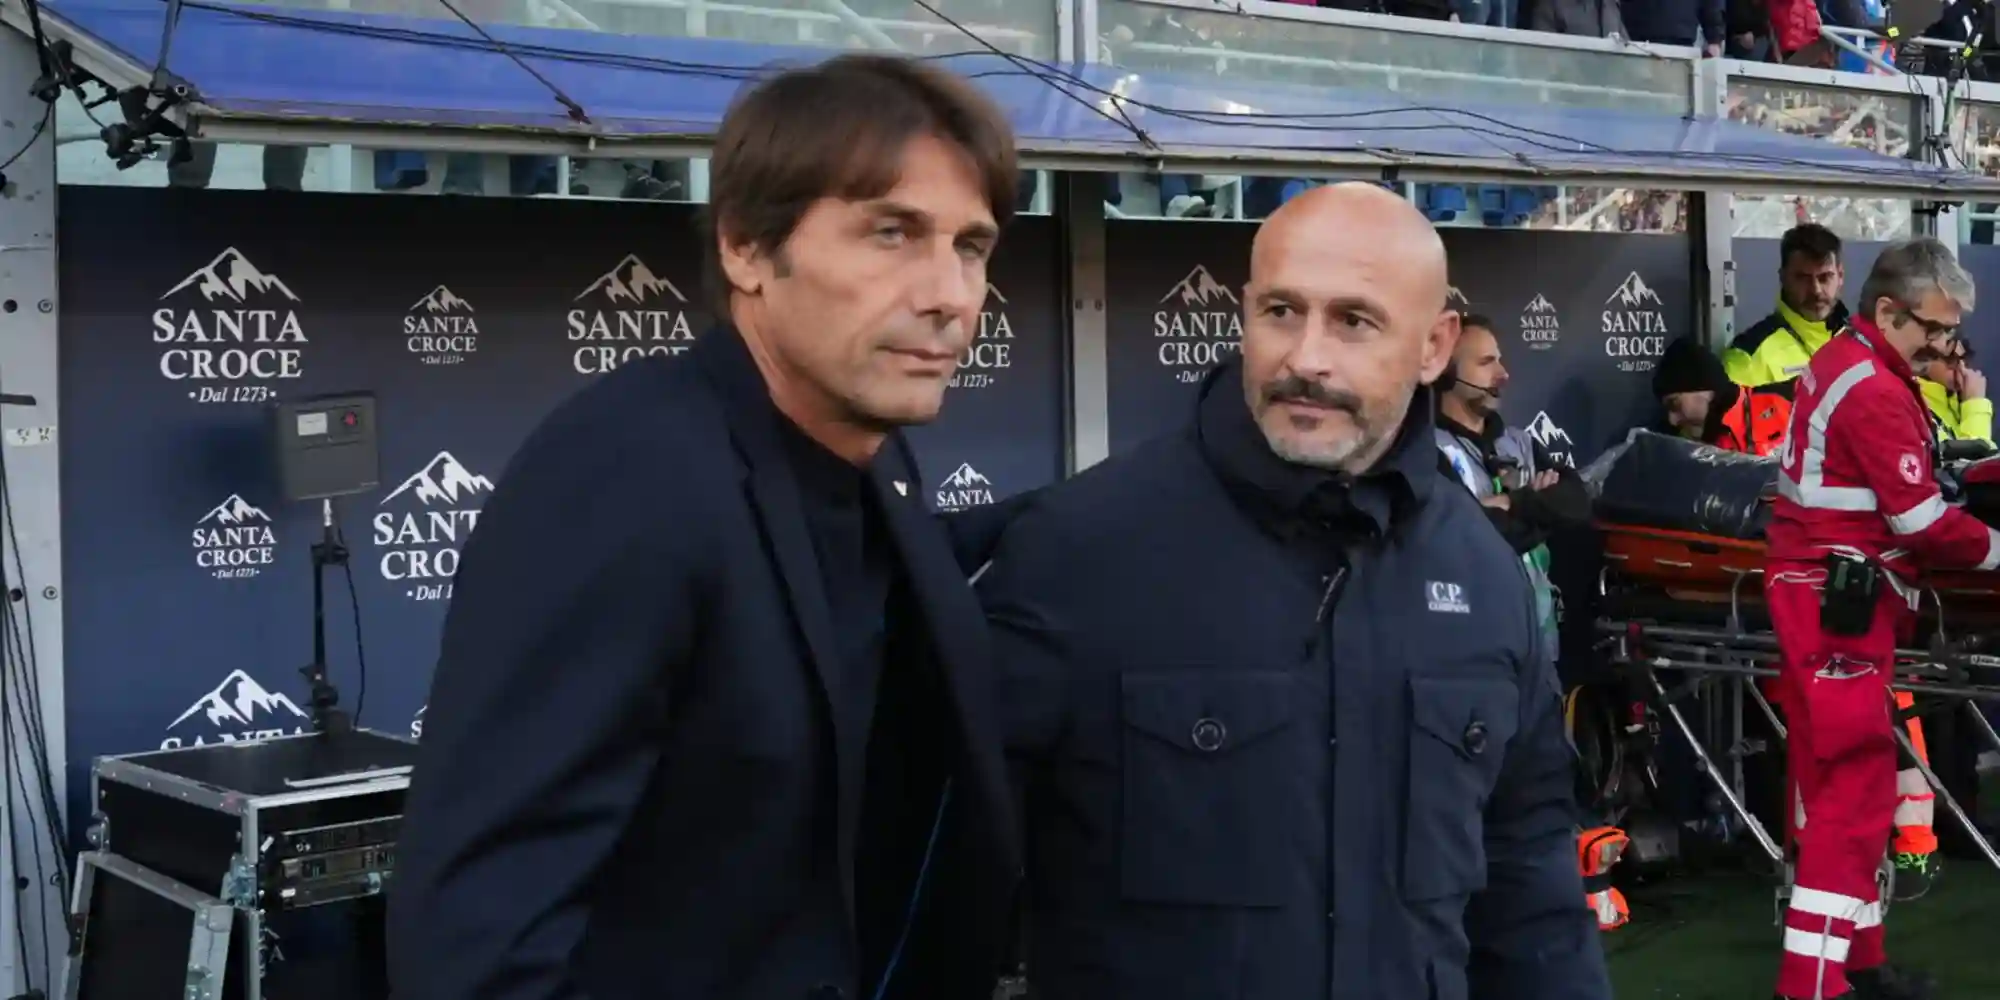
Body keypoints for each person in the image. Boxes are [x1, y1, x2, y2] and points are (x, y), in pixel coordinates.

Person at [387, 54, 1023, 1000]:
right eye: (891, 233)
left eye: (970, 246)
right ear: (746, 248)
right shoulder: (625, 474)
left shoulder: (876, 462)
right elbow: (480, 936)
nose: (951, 295)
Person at [975, 183, 1609, 1000]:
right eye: (1281, 311)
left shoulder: (1483, 574)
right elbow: (943, 887)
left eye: (1354, 320)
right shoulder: (1077, 550)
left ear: (1434, 347)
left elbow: (1529, 889)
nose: (1306, 359)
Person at [1766, 238, 1997, 1000]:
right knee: (1852, 793)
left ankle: (1858, 964)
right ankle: (1811, 984)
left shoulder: (1855, 364)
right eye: (1935, 330)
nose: (1946, 346)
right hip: (1837, 606)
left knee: (1846, 788)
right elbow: (1922, 522)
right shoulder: (1872, 386)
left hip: (1832, 597)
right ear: (1889, 311)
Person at [1434, 312, 1590, 657]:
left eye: (1499, 360)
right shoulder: (1427, 449)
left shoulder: (1519, 442)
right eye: (1486, 362)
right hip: (1471, 650)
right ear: (1445, 372)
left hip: (1540, 646)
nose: (1503, 374)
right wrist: (1540, 508)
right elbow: (1463, 537)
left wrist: (1513, 504)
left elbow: (1576, 502)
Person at [1725, 223, 1849, 387]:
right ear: (1783, 278)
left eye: (1825, 277)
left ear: (1840, 276)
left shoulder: (1863, 343)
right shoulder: (1747, 357)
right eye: (1803, 278)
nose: (1816, 290)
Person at [1654, 336, 1794, 456]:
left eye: (1674, 404)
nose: (1672, 420)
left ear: (1704, 389)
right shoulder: (1685, 448)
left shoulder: (1784, 403)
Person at [1914, 335, 1992, 445]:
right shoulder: (1916, 403)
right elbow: (1974, 454)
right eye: (1951, 360)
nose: (1961, 368)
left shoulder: (1954, 401)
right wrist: (1975, 403)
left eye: (1964, 359)